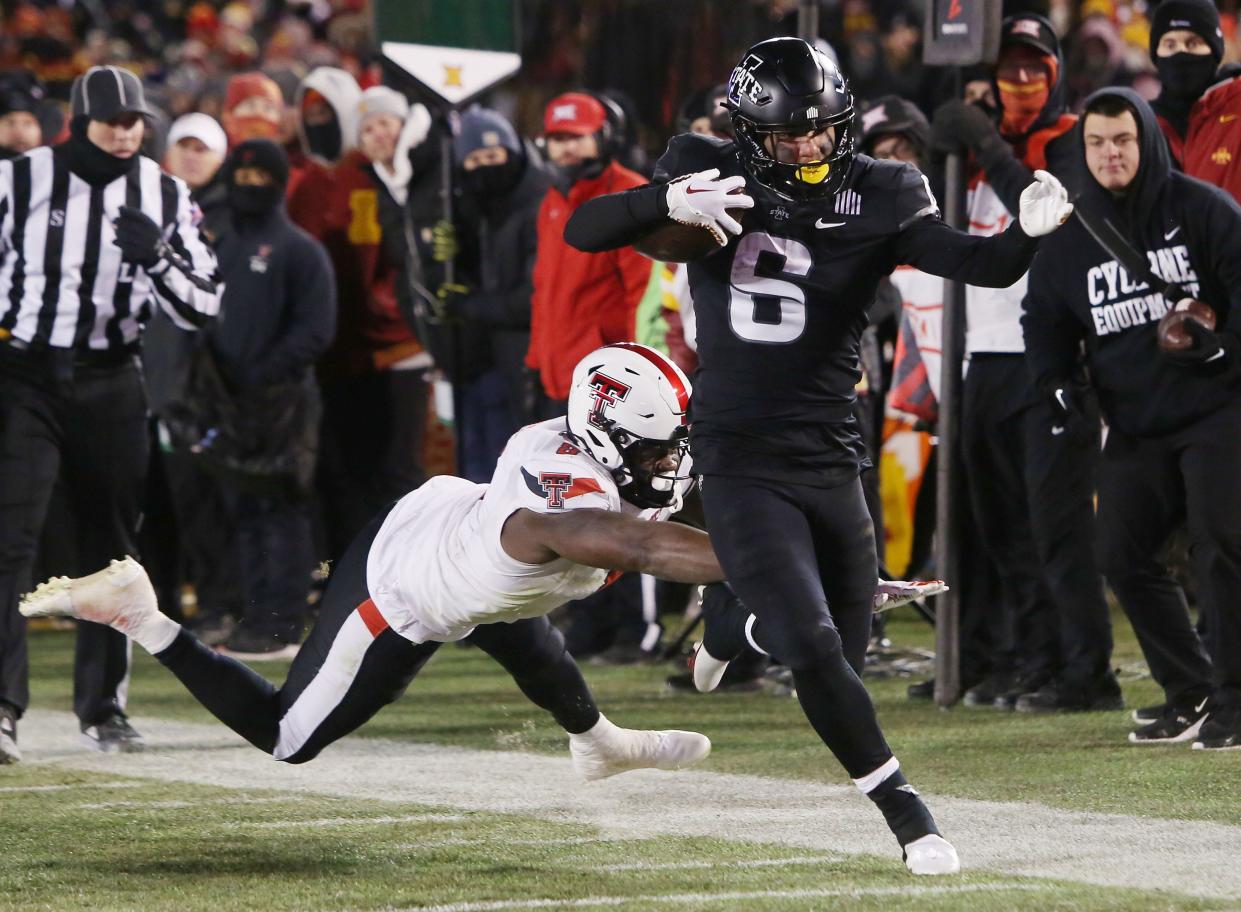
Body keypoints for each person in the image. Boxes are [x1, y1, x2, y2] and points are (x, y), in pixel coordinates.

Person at [565, 37, 1074, 873]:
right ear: (745, 131)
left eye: (821, 131)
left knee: (839, 634)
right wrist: (664, 197)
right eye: (787, 135)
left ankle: (732, 623)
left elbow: (975, 264)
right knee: (812, 647)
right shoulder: (707, 166)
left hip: (833, 455)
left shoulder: (884, 188)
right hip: (738, 449)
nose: (807, 148)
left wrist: (1028, 234)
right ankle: (909, 816)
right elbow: (588, 229)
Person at [20, 344, 718, 778]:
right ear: (603, 438)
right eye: (654, 449)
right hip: (404, 585)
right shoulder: (563, 499)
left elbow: (674, 509)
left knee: (526, 635)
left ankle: (598, 743)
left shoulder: (602, 453)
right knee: (289, 737)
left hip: (458, 536)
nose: (667, 462)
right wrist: (759, 569)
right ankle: (141, 614)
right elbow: (642, 545)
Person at [0, 65, 220, 763]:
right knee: (11, 538)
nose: (125, 135)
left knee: (113, 553)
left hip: (111, 374)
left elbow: (202, 305)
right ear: (78, 120)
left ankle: (103, 709)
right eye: (111, 123)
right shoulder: (19, 178)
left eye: (135, 123)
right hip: (24, 372)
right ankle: (2, 708)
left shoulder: (165, 192)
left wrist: (156, 258)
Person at [1023, 88, 1241, 751]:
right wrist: (1056, 384)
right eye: (1096, 143)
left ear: (1146, 140)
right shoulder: (1073, 232)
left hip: (1218, 408)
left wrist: (1226, 344)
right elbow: (1045, 321)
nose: (1109, 153)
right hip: (1136, 422)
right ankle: (1191, 690)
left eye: (1121, 139)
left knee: (1220, 550)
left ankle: (1236, 701)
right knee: (1118, 552)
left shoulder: (1201, 208)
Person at [930, 14, 1119, 713]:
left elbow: (1048, 215)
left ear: (1055, 73)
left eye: (1032, 70)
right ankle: (1029, 659)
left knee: (1057, 526)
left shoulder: (1070, 140)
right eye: (1007, 70)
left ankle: (1085, 671)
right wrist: (947, 144)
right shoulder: (977, 153)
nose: (1018, 83)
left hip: (1054, 358)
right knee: (1000, 526)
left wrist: (987, 145)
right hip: (983, 356)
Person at [185, 139, 336, 658]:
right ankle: (255, 618)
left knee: (281, 509)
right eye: (241, 177)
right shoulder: (218, 245)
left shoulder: (300, 250)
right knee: (243, 509)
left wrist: (262, 375)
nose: (249, 187)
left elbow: (317, 329)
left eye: (260, 178)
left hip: (283, 404)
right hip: (227, 404)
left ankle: (281, 623)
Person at [312, 85, 431, 560]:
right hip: (358, 348)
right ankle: (370, 569)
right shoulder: (352, 180)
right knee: (363, 467)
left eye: (386, 122)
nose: (379, 134)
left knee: (402, 467)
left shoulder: (423, 177)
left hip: (406, 345)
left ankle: (412, 565)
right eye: (367, 127)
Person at [1147, 0, 1241, 203]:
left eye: (1193, 43)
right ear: (1156, 53)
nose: (1181, 53)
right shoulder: (1142, 124)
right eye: (1169, 44)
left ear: (1214, 49)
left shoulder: (1237, 105)